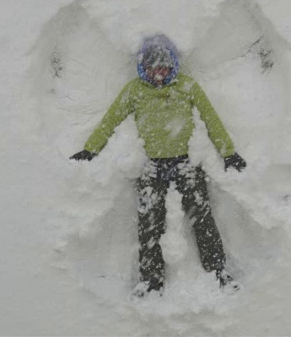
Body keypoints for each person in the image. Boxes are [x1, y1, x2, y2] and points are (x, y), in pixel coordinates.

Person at [70, 34, 247, 299]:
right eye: (153, 69)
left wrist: (228, 153)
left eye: (164, 69)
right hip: (152, 167)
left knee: (202, 214)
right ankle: (151, 280)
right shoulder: (134, 91)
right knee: (149, 219)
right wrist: (90, 149)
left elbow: (211, 119)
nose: (159, 75)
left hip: (186, 163)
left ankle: (218, 270)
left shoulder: (187, 87)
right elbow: (110, 120)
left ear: (173, 66)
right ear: (144, 68)